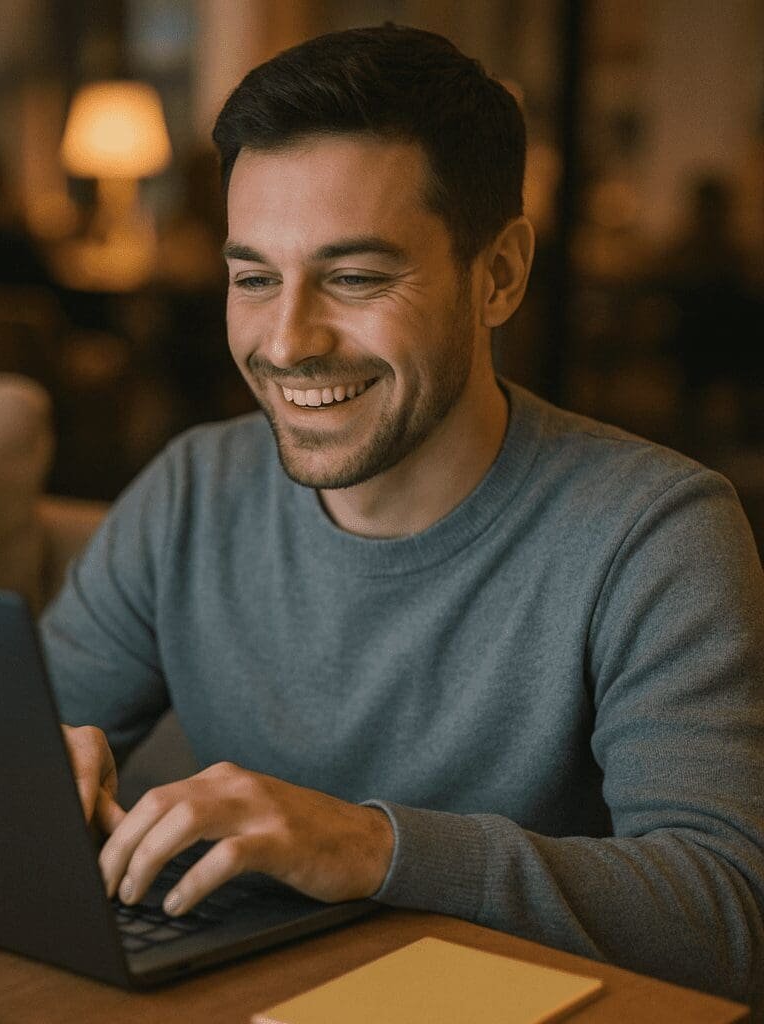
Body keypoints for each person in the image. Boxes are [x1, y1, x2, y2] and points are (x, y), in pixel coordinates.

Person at [40, 25, 764, 1014]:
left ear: (499, 273)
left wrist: (367, 844)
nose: (288, 341)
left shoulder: (655, 531)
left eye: (354, 277)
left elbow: (727, 917)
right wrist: (31, 771)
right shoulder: (189, 490)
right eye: (253, 277)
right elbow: (28, 743)